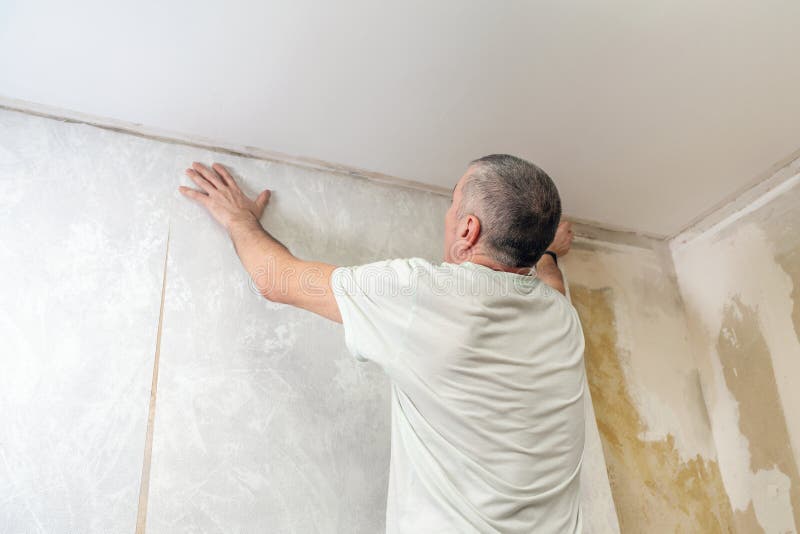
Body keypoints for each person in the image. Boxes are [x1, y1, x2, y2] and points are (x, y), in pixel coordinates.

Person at [179, 154, 585, 533]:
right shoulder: (562, 322)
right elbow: (550, 285)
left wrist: (238, 219)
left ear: (468, 229)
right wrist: (547, 253)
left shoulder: (419, 294)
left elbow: (275, 277)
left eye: (452, 202)